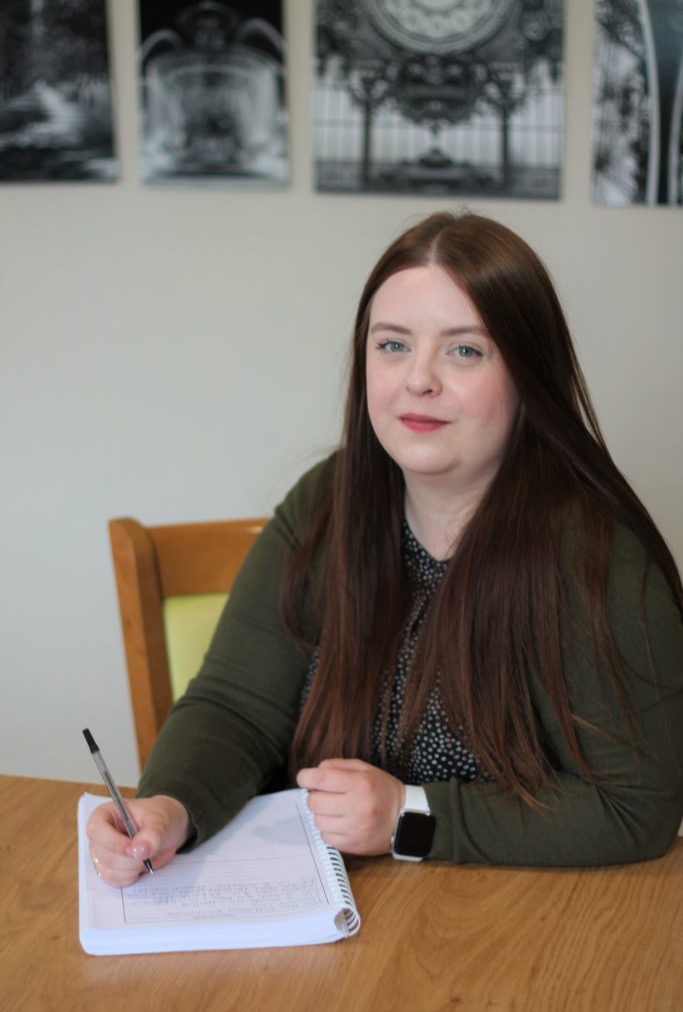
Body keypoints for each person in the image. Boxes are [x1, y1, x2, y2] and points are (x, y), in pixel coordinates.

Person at [87, 212, 683, 886]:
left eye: (464, 350)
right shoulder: (327, 502)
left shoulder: (597, 558)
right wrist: (172, 805)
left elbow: (637, 807)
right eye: (392, 345)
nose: (417, 379)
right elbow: (235, 708)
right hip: (331, 925)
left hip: (515, 927)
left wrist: (408, 815)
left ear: (527, 377)